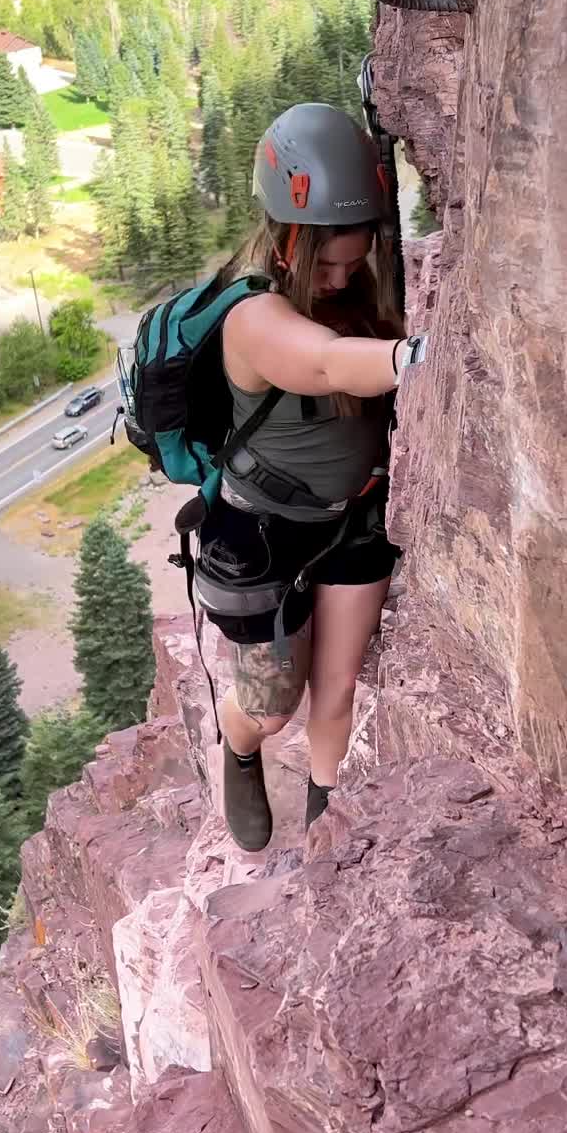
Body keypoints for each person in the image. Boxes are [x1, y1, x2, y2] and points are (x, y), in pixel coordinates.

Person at [194, 100, 426, 852]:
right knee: (273, 708)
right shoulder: (254, 316)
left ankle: (327, 832)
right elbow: (327, 363)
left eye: (353, 262)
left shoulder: (367, 286)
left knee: (337, 691)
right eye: (326, 263)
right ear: (287, 237)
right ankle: (241, 744)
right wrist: (414, 356)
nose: (340, 277)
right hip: (263, 532)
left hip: (353, 519)